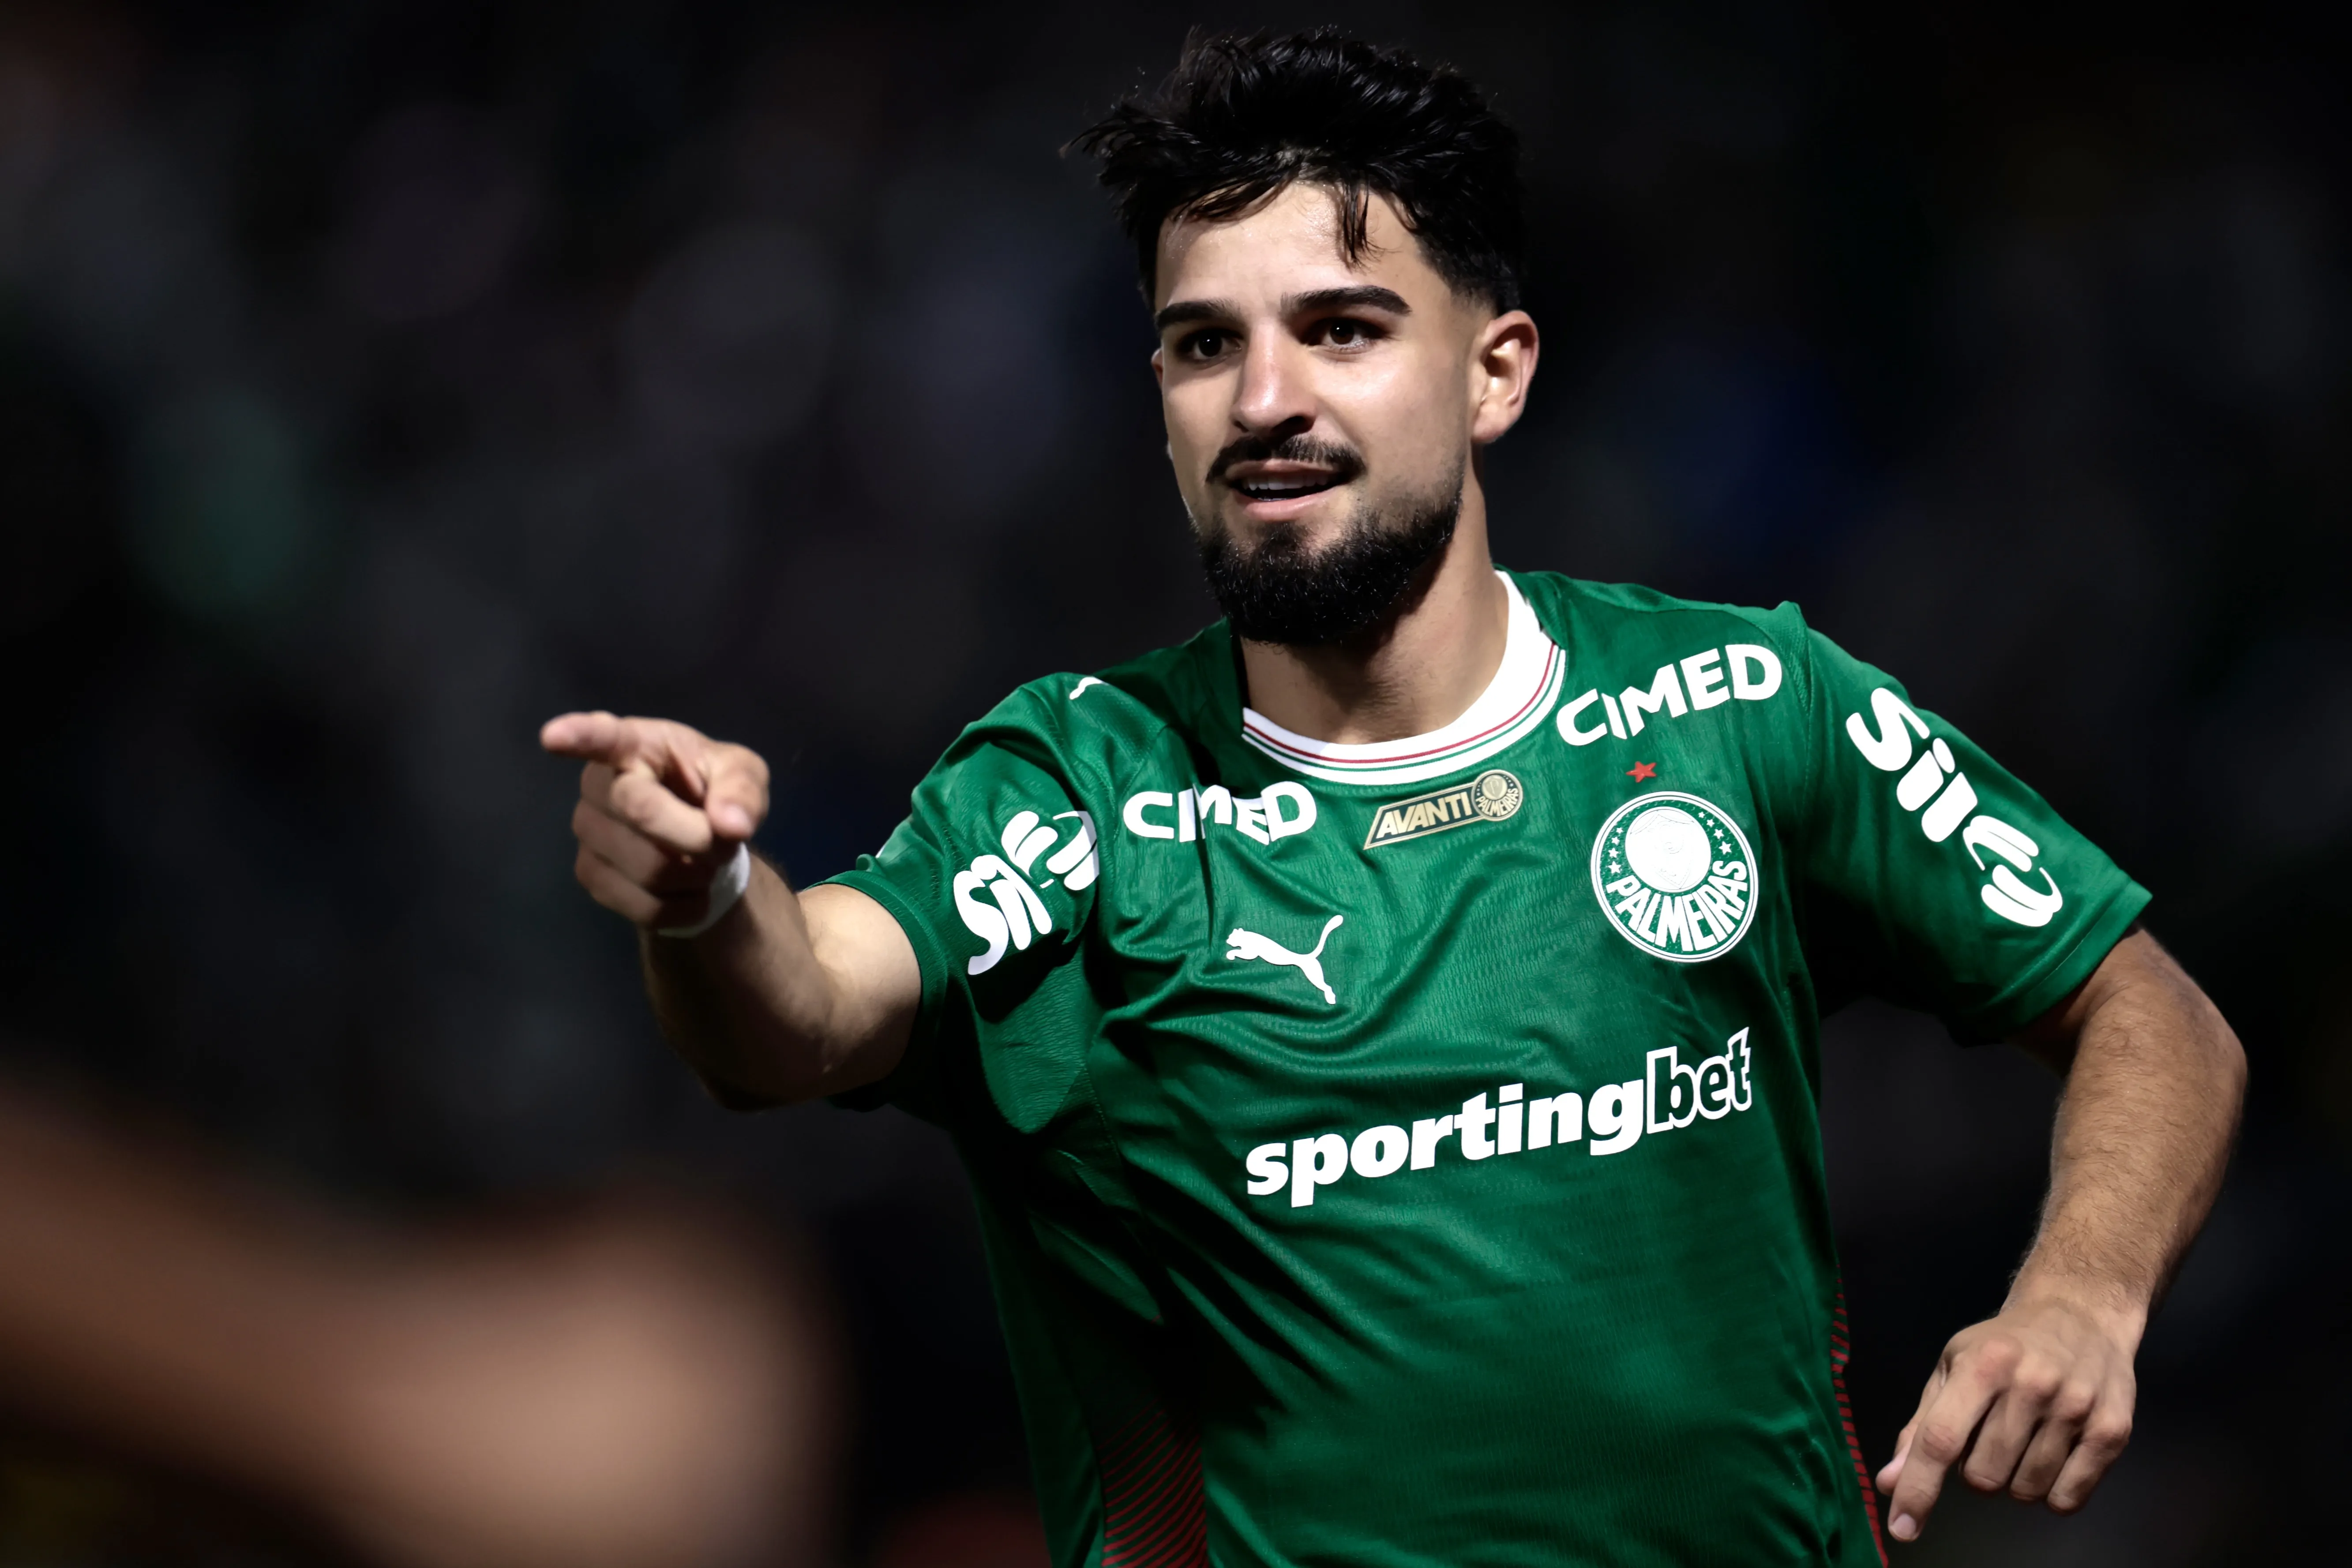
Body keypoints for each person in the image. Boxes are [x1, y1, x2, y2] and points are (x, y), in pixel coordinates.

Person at [543, 29, 2243, 1568]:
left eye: (1340, 329)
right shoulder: (1080, 789)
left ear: (1494, 372)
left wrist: (2084, 1293)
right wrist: (704, 894)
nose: (1266, 399)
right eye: (1205, 346)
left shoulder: (1743, 708)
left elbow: (2152, 1015)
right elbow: (803, 1008)